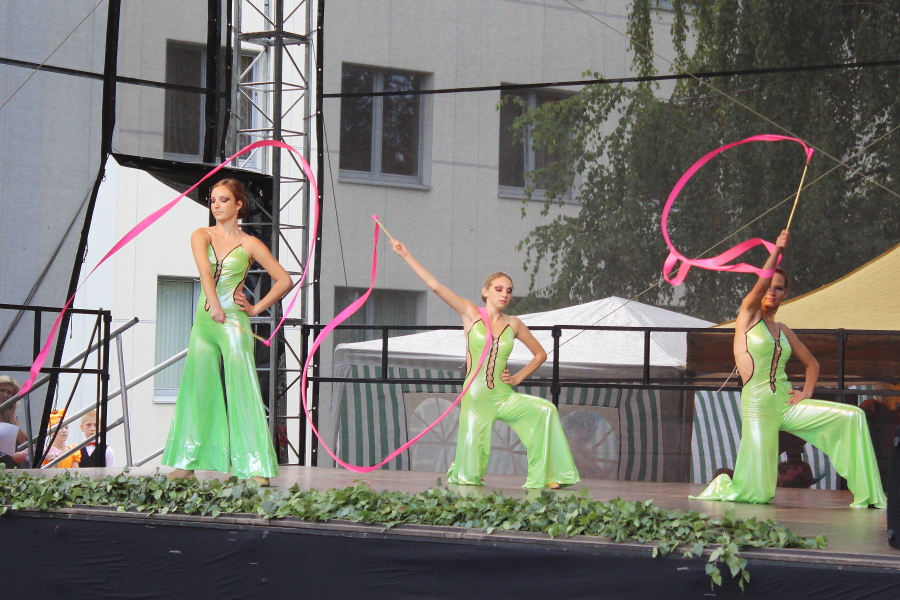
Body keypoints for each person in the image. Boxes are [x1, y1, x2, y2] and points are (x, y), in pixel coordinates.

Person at [692, 230, 885, 508]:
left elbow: (812, 364)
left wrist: (806, 392)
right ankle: (724, 482)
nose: (772, 291)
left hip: (785, 403)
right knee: (757, 494)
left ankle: (869, 496)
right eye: (769, 286)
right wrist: (777, 251)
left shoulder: (783, 330)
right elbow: (762, 281)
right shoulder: (748, 316)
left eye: (779, 288)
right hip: (758, 407)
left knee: (852, 416)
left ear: (786, 294)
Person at [391, 241, 579, 488]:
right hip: (476, 398)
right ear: (486, 292)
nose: (504, 294)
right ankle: (464, 476)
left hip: (503, 395)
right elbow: (435, 286)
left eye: (509, 291)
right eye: (498, 289)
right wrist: (406, 255)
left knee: (546, 410)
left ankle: (547, 476)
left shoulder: (514, 323)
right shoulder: (471, 313)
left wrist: (517, 378)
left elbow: (540, 354)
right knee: (469, 475)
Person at [161, 179, 291, 486]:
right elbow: (205, 272)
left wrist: (255, 309)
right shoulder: (201, 234)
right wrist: (215, 305)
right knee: (197, 389)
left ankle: (254, 465)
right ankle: (186, 462)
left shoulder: (250, 244)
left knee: (243, 389)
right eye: (213, 200)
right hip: (205, 323)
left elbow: (284, 280)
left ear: (238, 205)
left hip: (233, 322)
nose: (216, 205)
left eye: (223, 200)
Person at [0, 376, 26, 467]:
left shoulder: (12, 416)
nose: (5, 395)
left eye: (9, 392)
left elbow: (23, 441)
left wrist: (11, 417)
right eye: (2, 390)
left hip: (8, 462)